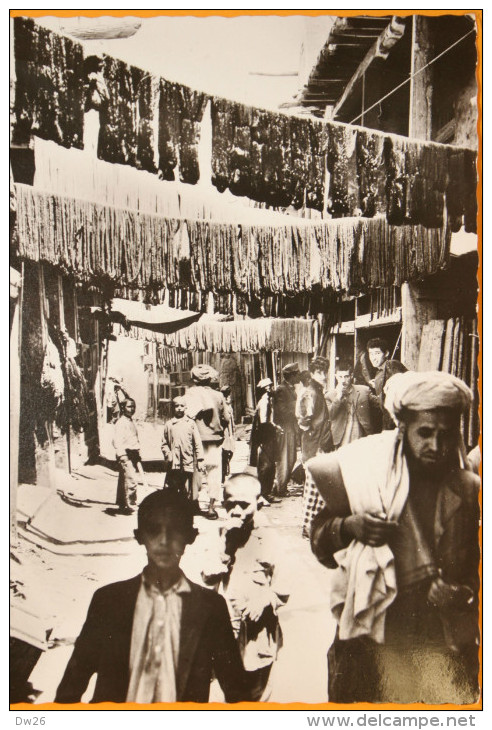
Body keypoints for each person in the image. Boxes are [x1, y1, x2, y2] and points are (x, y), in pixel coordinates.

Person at [308, 371, 480, 704]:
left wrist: (464, 593)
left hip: (438, 643)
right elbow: (319, 543)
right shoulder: (367, 476)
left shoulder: (469, 489)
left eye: (445, 436)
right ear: (403, 429)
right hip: (370, 642)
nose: (436, 446)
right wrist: (348, 527)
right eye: (425, 433)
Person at [55, 490, 246, 704]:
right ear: (139, 536)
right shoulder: (108, 601)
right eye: (154, 531)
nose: (164, 541)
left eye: (175, 531)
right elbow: (71, 686)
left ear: (190, 536)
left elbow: (237, 690)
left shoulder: (210, 607)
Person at [201, 473, 290, 701]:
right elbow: (208, 580)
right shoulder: (220, 535)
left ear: (259, 503)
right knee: (230, 690)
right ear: (222, 503)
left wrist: (265, 599)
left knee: (257, 690)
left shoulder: (270, 538)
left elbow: (284, 586)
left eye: (244, 504)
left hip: (258, 632)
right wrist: (225, 548)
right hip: (227, 629)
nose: (237, 511)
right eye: (231, 504)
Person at [184, 364, 230, 520]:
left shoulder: (190, 393)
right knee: (214, 474)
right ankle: (211, 508)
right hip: (214, 440)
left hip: (195, 440)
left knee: (193, 473)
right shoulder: (218, 396)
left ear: (194, 379)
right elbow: (226, 419)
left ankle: (193, 504)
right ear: (210, 378)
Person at [297, 359, 334, 539]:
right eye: (319, 372)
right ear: (311, 374)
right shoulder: (310, 392)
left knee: (317, 487)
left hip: (320, 442)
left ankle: (312, 525)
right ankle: (307, 526)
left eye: (325, 371)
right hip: (315, 445)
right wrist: (314, 440)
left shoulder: (317, 391)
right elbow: (303, 420)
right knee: (312, 487)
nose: (324, 375)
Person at [161, 396, 204, 511]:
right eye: (176, 406)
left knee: (189, 486)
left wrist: (200, 460)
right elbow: (164, 443)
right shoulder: (169, 424)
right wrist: (167, 453)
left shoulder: (191, 423)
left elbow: (198, 443)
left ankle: (188, 507)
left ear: (186, 407)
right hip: (174, 462)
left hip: (188, 461)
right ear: (173, 408)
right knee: (174, 485)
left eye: (181, 406)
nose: (179, 408)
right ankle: (175, 508)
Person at [355, 338, 407, 430]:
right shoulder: (379, 372)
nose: (373, 358)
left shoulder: (391, 365)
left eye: (377, 353)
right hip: (387, 418)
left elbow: (399, 391)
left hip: (396, 418)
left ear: (386, 353)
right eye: (371, 354)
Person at [325, 361, 378, 449]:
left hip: (361, 435)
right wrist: (338, 397)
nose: (343, 380)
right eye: (340, 377)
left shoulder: (364, 390)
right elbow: (330, 416)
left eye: (346, 377)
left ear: (351, 376)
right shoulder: (330, 395)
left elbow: (379, 404)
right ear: (336, 377)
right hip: (341, 437)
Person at [249, 378, 281, 505]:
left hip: (269, 435)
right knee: (265, 465)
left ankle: (267, 493)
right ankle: (261, 494)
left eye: (270, 386)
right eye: (267, 387)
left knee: (271, 465)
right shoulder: (264, 402)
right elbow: (263, 422)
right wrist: (273, 427)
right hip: (264, 436)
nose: (270, 389)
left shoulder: (269, 401)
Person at [272, 362, 301, 497]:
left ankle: (280, 485)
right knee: (285, 458)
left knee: (292, 457)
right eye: (297, 374)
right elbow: (281, 411)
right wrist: (297, 406)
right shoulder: (281, 389)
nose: (299, 376)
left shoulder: (290, 389)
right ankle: (281, 488)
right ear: (291, 376)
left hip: (291, 427)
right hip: (284, 428)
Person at [113, 398, 141, 514]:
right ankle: (131, 504)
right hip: (125, 454)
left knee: (124, 479)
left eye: (133, 406)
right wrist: (122, 455)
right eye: (129, 406)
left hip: (132, 454)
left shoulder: (130, 421)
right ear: (123, 408)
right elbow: (117, 441)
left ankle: (122, 503)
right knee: (131, 480)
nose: (132, 409)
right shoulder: (121, 423)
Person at [221, 385, 235, 485]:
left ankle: (225, 470)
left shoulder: (228, 404)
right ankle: (222, 475)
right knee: (225, 453)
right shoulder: (223, 404)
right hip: (225, 431)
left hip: (229, 431)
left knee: (230, 451)